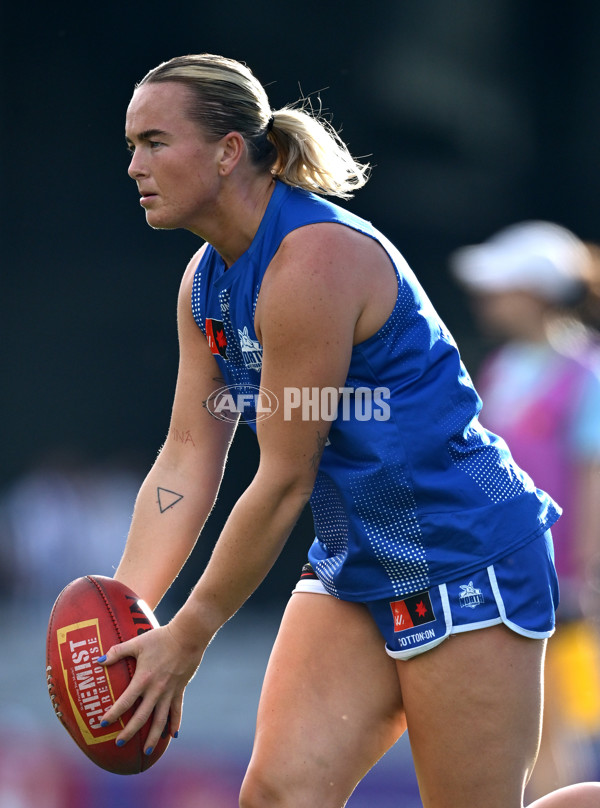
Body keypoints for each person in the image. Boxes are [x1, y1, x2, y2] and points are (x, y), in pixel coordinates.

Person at [96, 53, 600, 808]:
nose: (135, 165)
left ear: (229, 151)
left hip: (463, 554)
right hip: (355, 561)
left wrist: (189, 634)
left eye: (155, 142)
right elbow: (187, 454)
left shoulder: (313, 260)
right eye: (132, 145)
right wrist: (122, 614)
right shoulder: (204, 281)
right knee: (278, 797)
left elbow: (285, 479)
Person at [451, 222, 600, 799]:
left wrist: (582, 578)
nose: (488, 299)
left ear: (536, 293)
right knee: (514, 729)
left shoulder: (587, 374)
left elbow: (592, 481)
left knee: (557, 727)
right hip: (500, 574)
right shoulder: (499, 369)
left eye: (502, 287)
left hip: (561, 584)